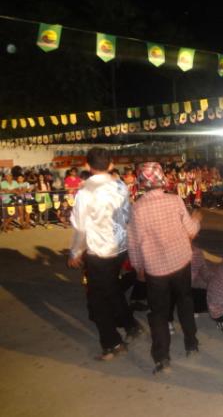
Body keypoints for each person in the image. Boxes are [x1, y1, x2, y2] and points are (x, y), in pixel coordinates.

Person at [127, 162, 202, 374]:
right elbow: (191, 231)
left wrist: (138, 266)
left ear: (142, 182)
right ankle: (191, 343)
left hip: (155, 268)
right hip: (180, 261)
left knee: (158, 312)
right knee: (185, 301)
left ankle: (162, 358)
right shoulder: (175, 200)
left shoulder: (138, 207)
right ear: (162, 179)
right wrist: (196, 219)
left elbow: (133, 242)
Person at [67, 148, 141, 361]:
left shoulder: (85, 192)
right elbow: (127, 215)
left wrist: (75, 252)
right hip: (119, 247)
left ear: (87, 166)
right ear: (110, 164)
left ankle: (112, 343)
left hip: (99, 251)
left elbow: (80, 226)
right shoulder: (120, 185)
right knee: (112, 289)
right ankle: (130, 325)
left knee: (98, 300)